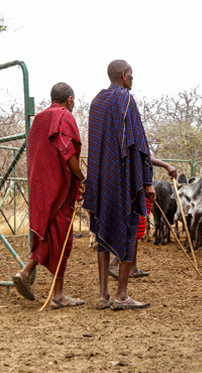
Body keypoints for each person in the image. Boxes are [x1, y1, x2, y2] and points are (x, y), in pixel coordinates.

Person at [85, 59, 163, 310]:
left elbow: (96, 143)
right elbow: (139, 145)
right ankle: (121, 295)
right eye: (130, 74)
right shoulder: (126, 100)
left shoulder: (96, 102)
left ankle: (102, 295)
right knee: (129, 233)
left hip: (100, 181)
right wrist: (147, 182)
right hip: (125, 181)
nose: (133, 78)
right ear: (122, 75)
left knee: (103, 235)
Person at [12, 82, 86, 309]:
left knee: (49, 233)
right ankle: (58, 295)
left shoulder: (40, 119)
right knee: (63, 238)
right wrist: (81, 179)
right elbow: (67, 149)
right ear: (70, 99)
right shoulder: (63, 116)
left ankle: (25, 272)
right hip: (60, 187)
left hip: (40, 186)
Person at [108, 156, 177, 280]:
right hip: (136, 190)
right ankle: (114, 262)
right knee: (132, 229)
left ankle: (132, 268)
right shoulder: (134, 140)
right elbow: (144, 155)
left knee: (137, 231)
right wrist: (166, 165)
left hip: (137, 189)